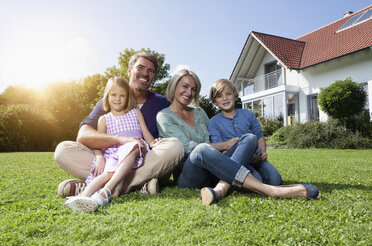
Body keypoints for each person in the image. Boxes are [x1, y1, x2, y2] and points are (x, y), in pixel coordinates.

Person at [156, 69, 319, 205]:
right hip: (190, 175)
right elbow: (188, 148)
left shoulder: (199, 113)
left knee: (248, 138)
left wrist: (244, 149)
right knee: (200, 149)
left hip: (213, 170)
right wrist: (226, 145)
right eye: (185, 86)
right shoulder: (164, 116)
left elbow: (214, 141)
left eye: (193, 89)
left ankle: (222, 187)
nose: (189, 92)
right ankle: (271, 191)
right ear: (174, 86)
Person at [55, 52, 183, 197]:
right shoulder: (111, 99)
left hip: (143, 160)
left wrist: (156, 143)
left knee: (175, 146)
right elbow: (83, 136)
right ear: (129, 70)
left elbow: (174, 128)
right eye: (140, 67)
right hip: (111, 159)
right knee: (63, 150)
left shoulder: (162, 103)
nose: (145, 73)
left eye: (151, 71)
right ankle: (138, 185)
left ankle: (94, 186)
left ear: (154, 76)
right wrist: (120, 140)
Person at [64, 77, 160, 212]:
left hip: (135, 153)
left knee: (133, 145)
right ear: (107, 96)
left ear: (128, 97)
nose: (118, 99)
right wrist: (99, 157)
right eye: (113, 95)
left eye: (122, 95)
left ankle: (105, 192)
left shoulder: (135, 113)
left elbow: (146, 133)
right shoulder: (104, 119)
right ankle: (82, 196)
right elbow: (98, 142)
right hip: (114, 155)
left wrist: (153, 143)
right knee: (105, 175)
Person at [208, 79, 282, 190]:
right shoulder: (213, 122)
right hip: (234, 160)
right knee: (257, 180)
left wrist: (262, 151)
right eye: (219, 96)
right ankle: (233, 177)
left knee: (276, 180)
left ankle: (236, 180)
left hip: (256, 158)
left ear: (235, 96)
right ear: (214, 102)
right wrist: (244, 154)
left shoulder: (248, 114)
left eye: (228, 94)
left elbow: (259, 135)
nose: (225, 98)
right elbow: (220, 149)